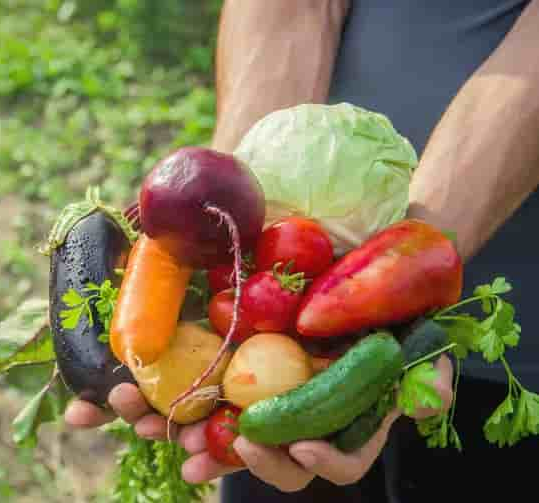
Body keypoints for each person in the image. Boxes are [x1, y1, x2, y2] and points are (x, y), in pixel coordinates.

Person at [65, 1, 539, 500]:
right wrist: (229, 203)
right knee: (277, 462)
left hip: (514, 341)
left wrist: (410, 259)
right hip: (279, 318)